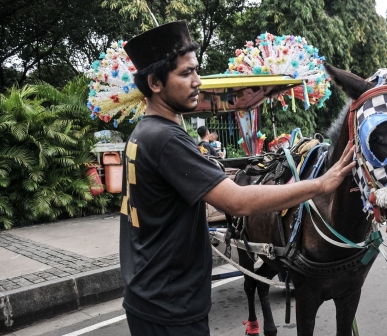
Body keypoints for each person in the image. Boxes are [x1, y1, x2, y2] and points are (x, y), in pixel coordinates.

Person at [119, 21, 355, 336]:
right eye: (185, 73)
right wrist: (321, 185)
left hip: (150, 295)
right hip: (170, 307)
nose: (197, 81)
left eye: (196, 71)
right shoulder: (165, 139)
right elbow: (238, 201)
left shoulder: (143, 133)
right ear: (155, 82)